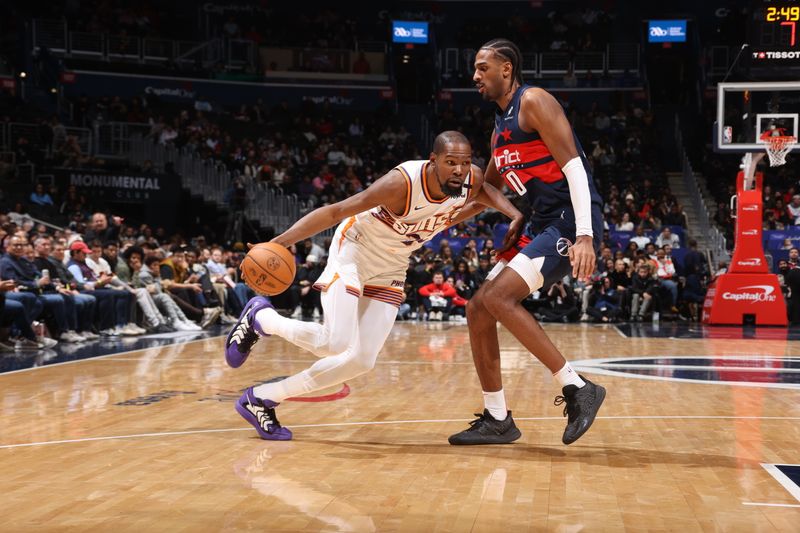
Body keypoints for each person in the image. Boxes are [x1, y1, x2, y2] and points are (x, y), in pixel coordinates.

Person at [225, 131, 524, 440]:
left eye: (464, 162)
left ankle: (262, 398)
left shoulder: (468, 180)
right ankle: (262, 319)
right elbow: (337, 211)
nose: (459, 170)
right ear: (433, 161)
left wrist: (514, 213)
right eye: (450, 163)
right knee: (335, 342)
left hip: (392, 264)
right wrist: (280, 242)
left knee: (361, 359)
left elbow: (483, 191)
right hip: (355, 250)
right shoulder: (402, 183)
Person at [447, 38, 606, 446]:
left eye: (483, 68)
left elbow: (575, 170)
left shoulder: (534, 101)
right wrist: (429, 223)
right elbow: (486, 193)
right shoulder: (500, 129)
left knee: (499, 298)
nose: (475, 75)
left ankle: (577, 387)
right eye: (475, 68)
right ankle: (497, 418)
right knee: (478, 308)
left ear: (506, 69)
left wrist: (585, 235)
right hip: (542, 223)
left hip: (570, 221)